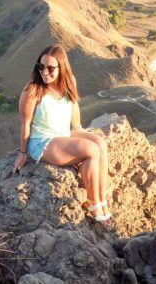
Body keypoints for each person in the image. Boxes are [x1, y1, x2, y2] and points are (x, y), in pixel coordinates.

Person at [13, 44, 112, 225]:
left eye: (51, 68)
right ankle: (94, 202)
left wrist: (79, 129)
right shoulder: (33, 90)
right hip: (42, 141)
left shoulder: (69, 82)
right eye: (41, 67)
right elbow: (25, 124)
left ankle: (102, 198)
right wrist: (23, 152)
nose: (45, 72)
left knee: (100, 143)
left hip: (63, 134)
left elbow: (73, 106)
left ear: (61, 68)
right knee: (91, 150)